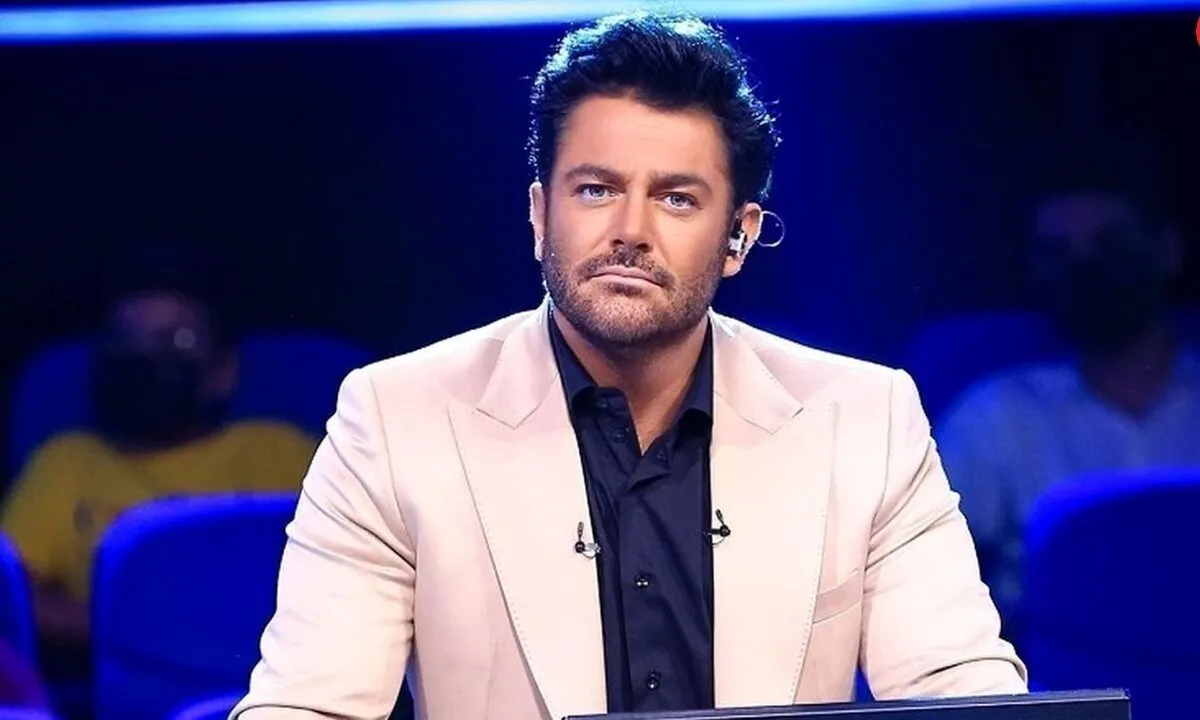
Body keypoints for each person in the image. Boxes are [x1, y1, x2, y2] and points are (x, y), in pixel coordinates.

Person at [233, 12, 1025, 720]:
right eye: (595, 189)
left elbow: (964, 695)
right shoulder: (395, 420)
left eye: (677, 198)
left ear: (739, 235)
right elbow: (310, 704)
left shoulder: (865, 421)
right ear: (540, 214)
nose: (630, 230)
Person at [1, 245, 317, 667]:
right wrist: (138, 633)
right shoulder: (65, 463)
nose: (148, 358)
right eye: (127, 340)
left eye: (178, 341)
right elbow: (10, 596)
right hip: (131, 687)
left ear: (223, 371)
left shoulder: (282, 452)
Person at [938, 144, 1200, 630]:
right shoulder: (996, 416)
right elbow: (917, 578)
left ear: (1166, 250)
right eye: (1059, 253)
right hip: (1057, 665)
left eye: (1110, 245)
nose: (1087, 269)